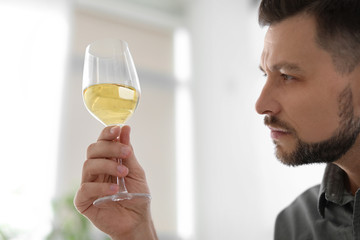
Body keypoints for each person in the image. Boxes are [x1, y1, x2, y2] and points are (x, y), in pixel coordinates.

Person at [74, 0, 360, 239]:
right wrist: (137, 232)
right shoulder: (297, 224)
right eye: (265, 74)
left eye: (288, 75)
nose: (261, 104)